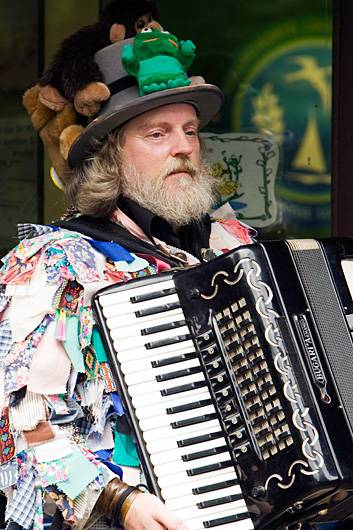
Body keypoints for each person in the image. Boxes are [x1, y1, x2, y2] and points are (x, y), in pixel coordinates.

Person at [0, 29, 254, 530]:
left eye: (189, 130)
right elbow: (12, 422)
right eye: (157, 134)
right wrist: (118, 500)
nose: (182, 147)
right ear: (112, 155)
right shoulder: (55, 261)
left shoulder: (233, 244)